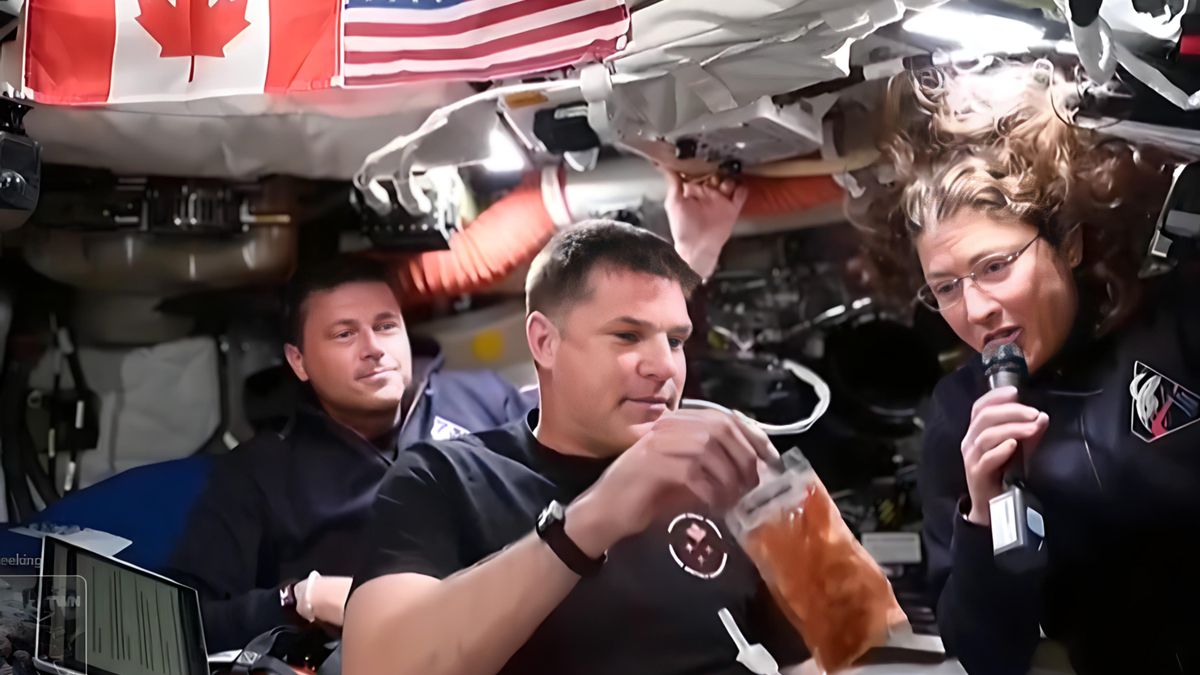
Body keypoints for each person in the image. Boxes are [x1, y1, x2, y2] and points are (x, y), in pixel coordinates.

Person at [166, 178, 748, 653]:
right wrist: (301, 599)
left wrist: (689, 263)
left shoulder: (481, 404)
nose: (373, 347)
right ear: (298, 361)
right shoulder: (263, 475)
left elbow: (595, 402)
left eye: (386, 326)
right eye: (344, 334)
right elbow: (180, 622)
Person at [851, 59, 1200, 675]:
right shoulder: (961, 416)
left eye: (994, 267)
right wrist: (983, 517)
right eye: (946, 288)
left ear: (1066, 241)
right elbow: (985, 653)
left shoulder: (1175, 324)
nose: (975, 308)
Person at [341, 220, 809, 675]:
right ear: (545, 341)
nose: (665, 367)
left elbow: (825, 657)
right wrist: (593, 519)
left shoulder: (722, 479)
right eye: (627, 336)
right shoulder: (444, 479)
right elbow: (377, 666)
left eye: (676, 340)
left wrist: (818, 542)